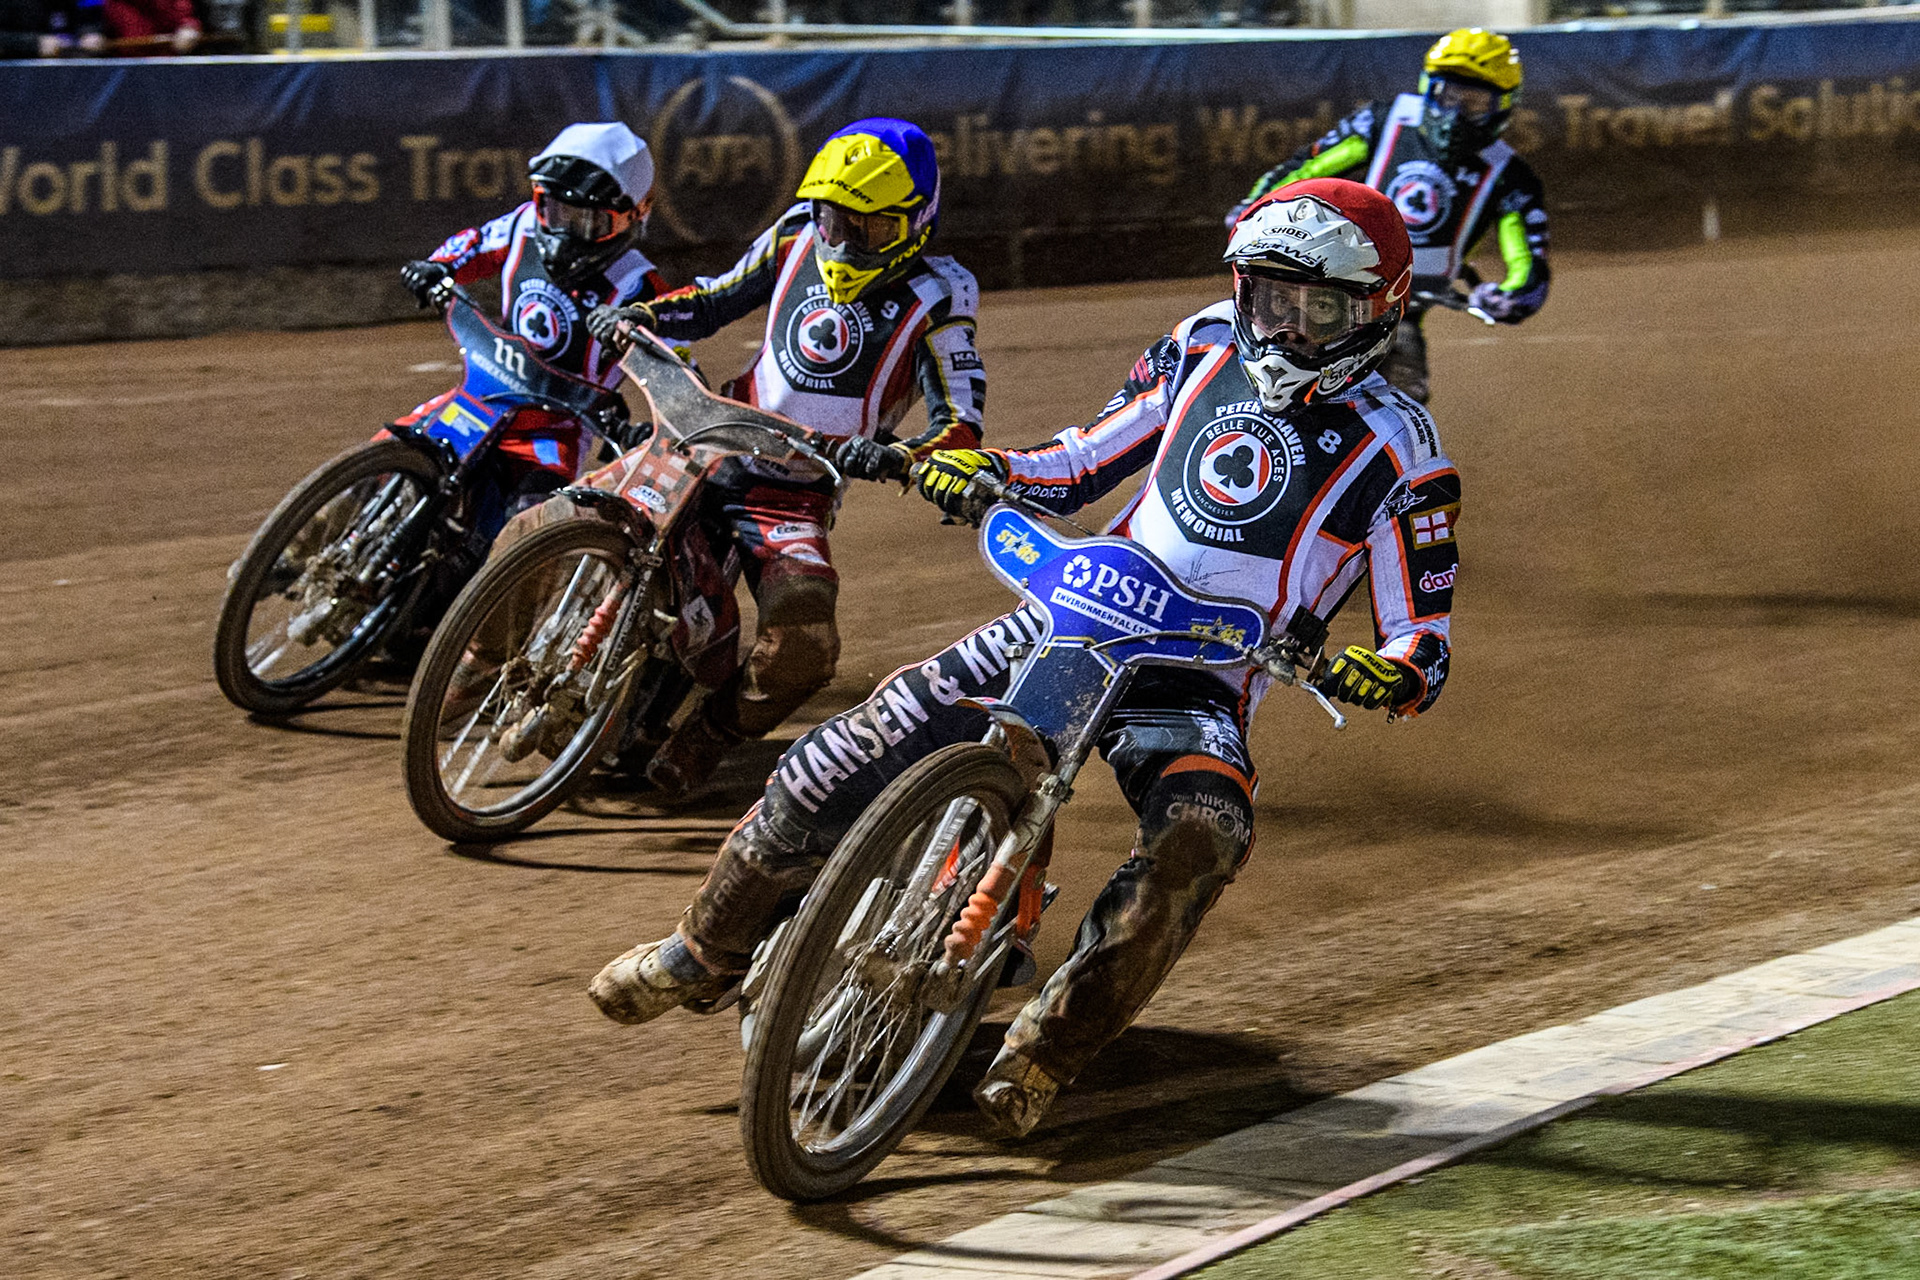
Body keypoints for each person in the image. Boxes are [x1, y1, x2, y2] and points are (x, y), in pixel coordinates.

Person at [588, 178, 1461, 1138]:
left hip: (1199, 679)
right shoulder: (1204, 341)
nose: (1284, 327)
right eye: (1269, 296)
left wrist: (1385, 669)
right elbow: (1083, 459)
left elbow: (1423, 636)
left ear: (1377, 310)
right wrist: (990, 467)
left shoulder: (1404, 451)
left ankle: (1050, 1048)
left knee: (1203, 831)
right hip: (1072, 615)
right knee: (835, 757)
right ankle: (699, 950)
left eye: (1317, 308)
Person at [584, 117, 986, 801]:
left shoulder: (941, 292)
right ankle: (478, 654)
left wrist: (905, 458)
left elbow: (960, 419)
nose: (845, 242)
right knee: (578, 510)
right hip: (711, 434)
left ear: (918, 221)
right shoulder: (796, 232)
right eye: (835, 221)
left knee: (805, 637)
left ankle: (707, 734)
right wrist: (647, 315)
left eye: (870, 227)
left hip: (796, 488)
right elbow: (715, 299)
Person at [1228, 27, 1548, 403]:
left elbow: (1529, 260)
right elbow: (1308, 167)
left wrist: (1511, 296)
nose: (1455, 113)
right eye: (1448, 94)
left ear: (1503, 106)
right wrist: (1254, 209)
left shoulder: (1510, 175)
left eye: (1474, 102)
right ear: (1428, 87)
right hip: (1329, 282)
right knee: (1256, 372)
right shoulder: (1384, 121)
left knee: (1402, 404)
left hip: (1399, 311)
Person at [394, 122, 668, 550]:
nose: (563, 232)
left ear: (633, 216)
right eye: (555, 210)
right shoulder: (523, 225)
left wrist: (652, 430)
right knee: (396, 451)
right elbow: (475, 245)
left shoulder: (640, 287)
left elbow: (672, 369)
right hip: (482, 398)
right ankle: (309, 539)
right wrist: (438, 266)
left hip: (552, 434)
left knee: (527, 534)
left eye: (588, 220)